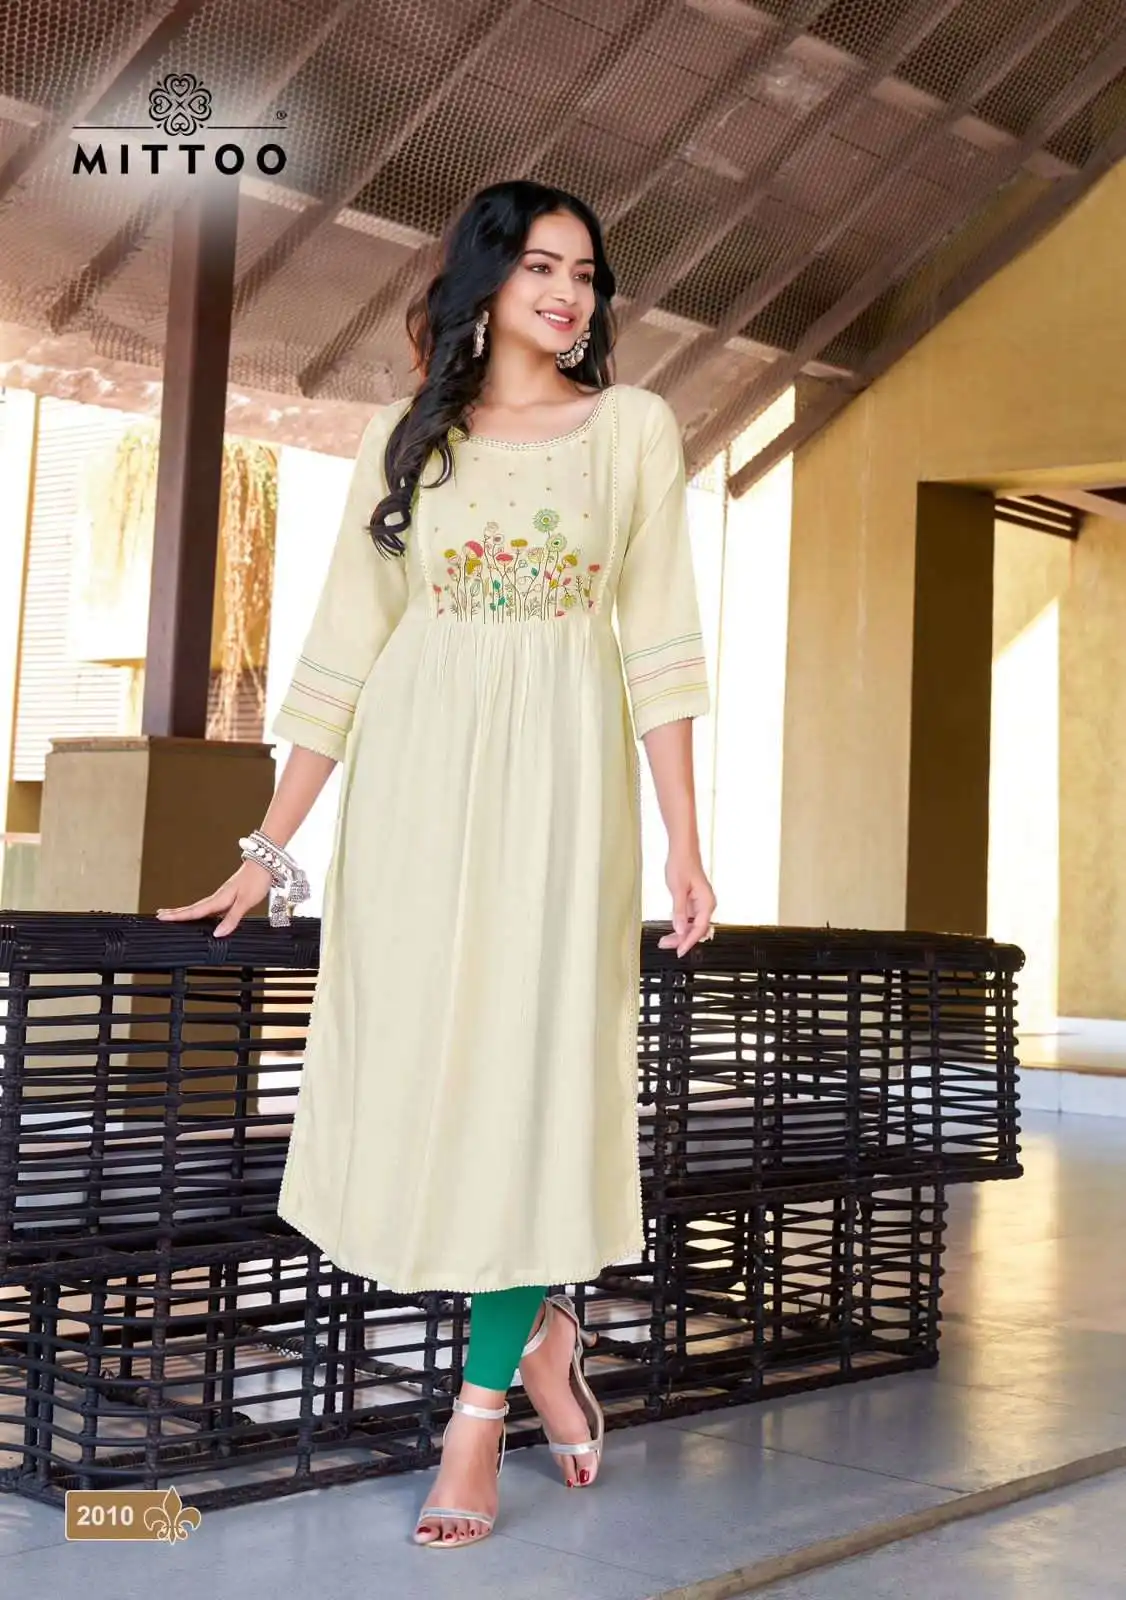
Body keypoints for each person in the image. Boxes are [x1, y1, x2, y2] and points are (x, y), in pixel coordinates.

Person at [157, 179, 716, 1549]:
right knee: (428, 1084)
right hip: (414, 799)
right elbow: (343, 652)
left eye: (585, 272)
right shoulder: (404, 442)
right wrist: (268, 849)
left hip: (562, 801)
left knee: (530, 1083)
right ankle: (543, 1335)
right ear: (485, 278)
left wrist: (686, 842)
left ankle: (476, 1413)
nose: (569, 293)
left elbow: (658, 642)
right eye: (541, 267)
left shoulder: (632, 430)